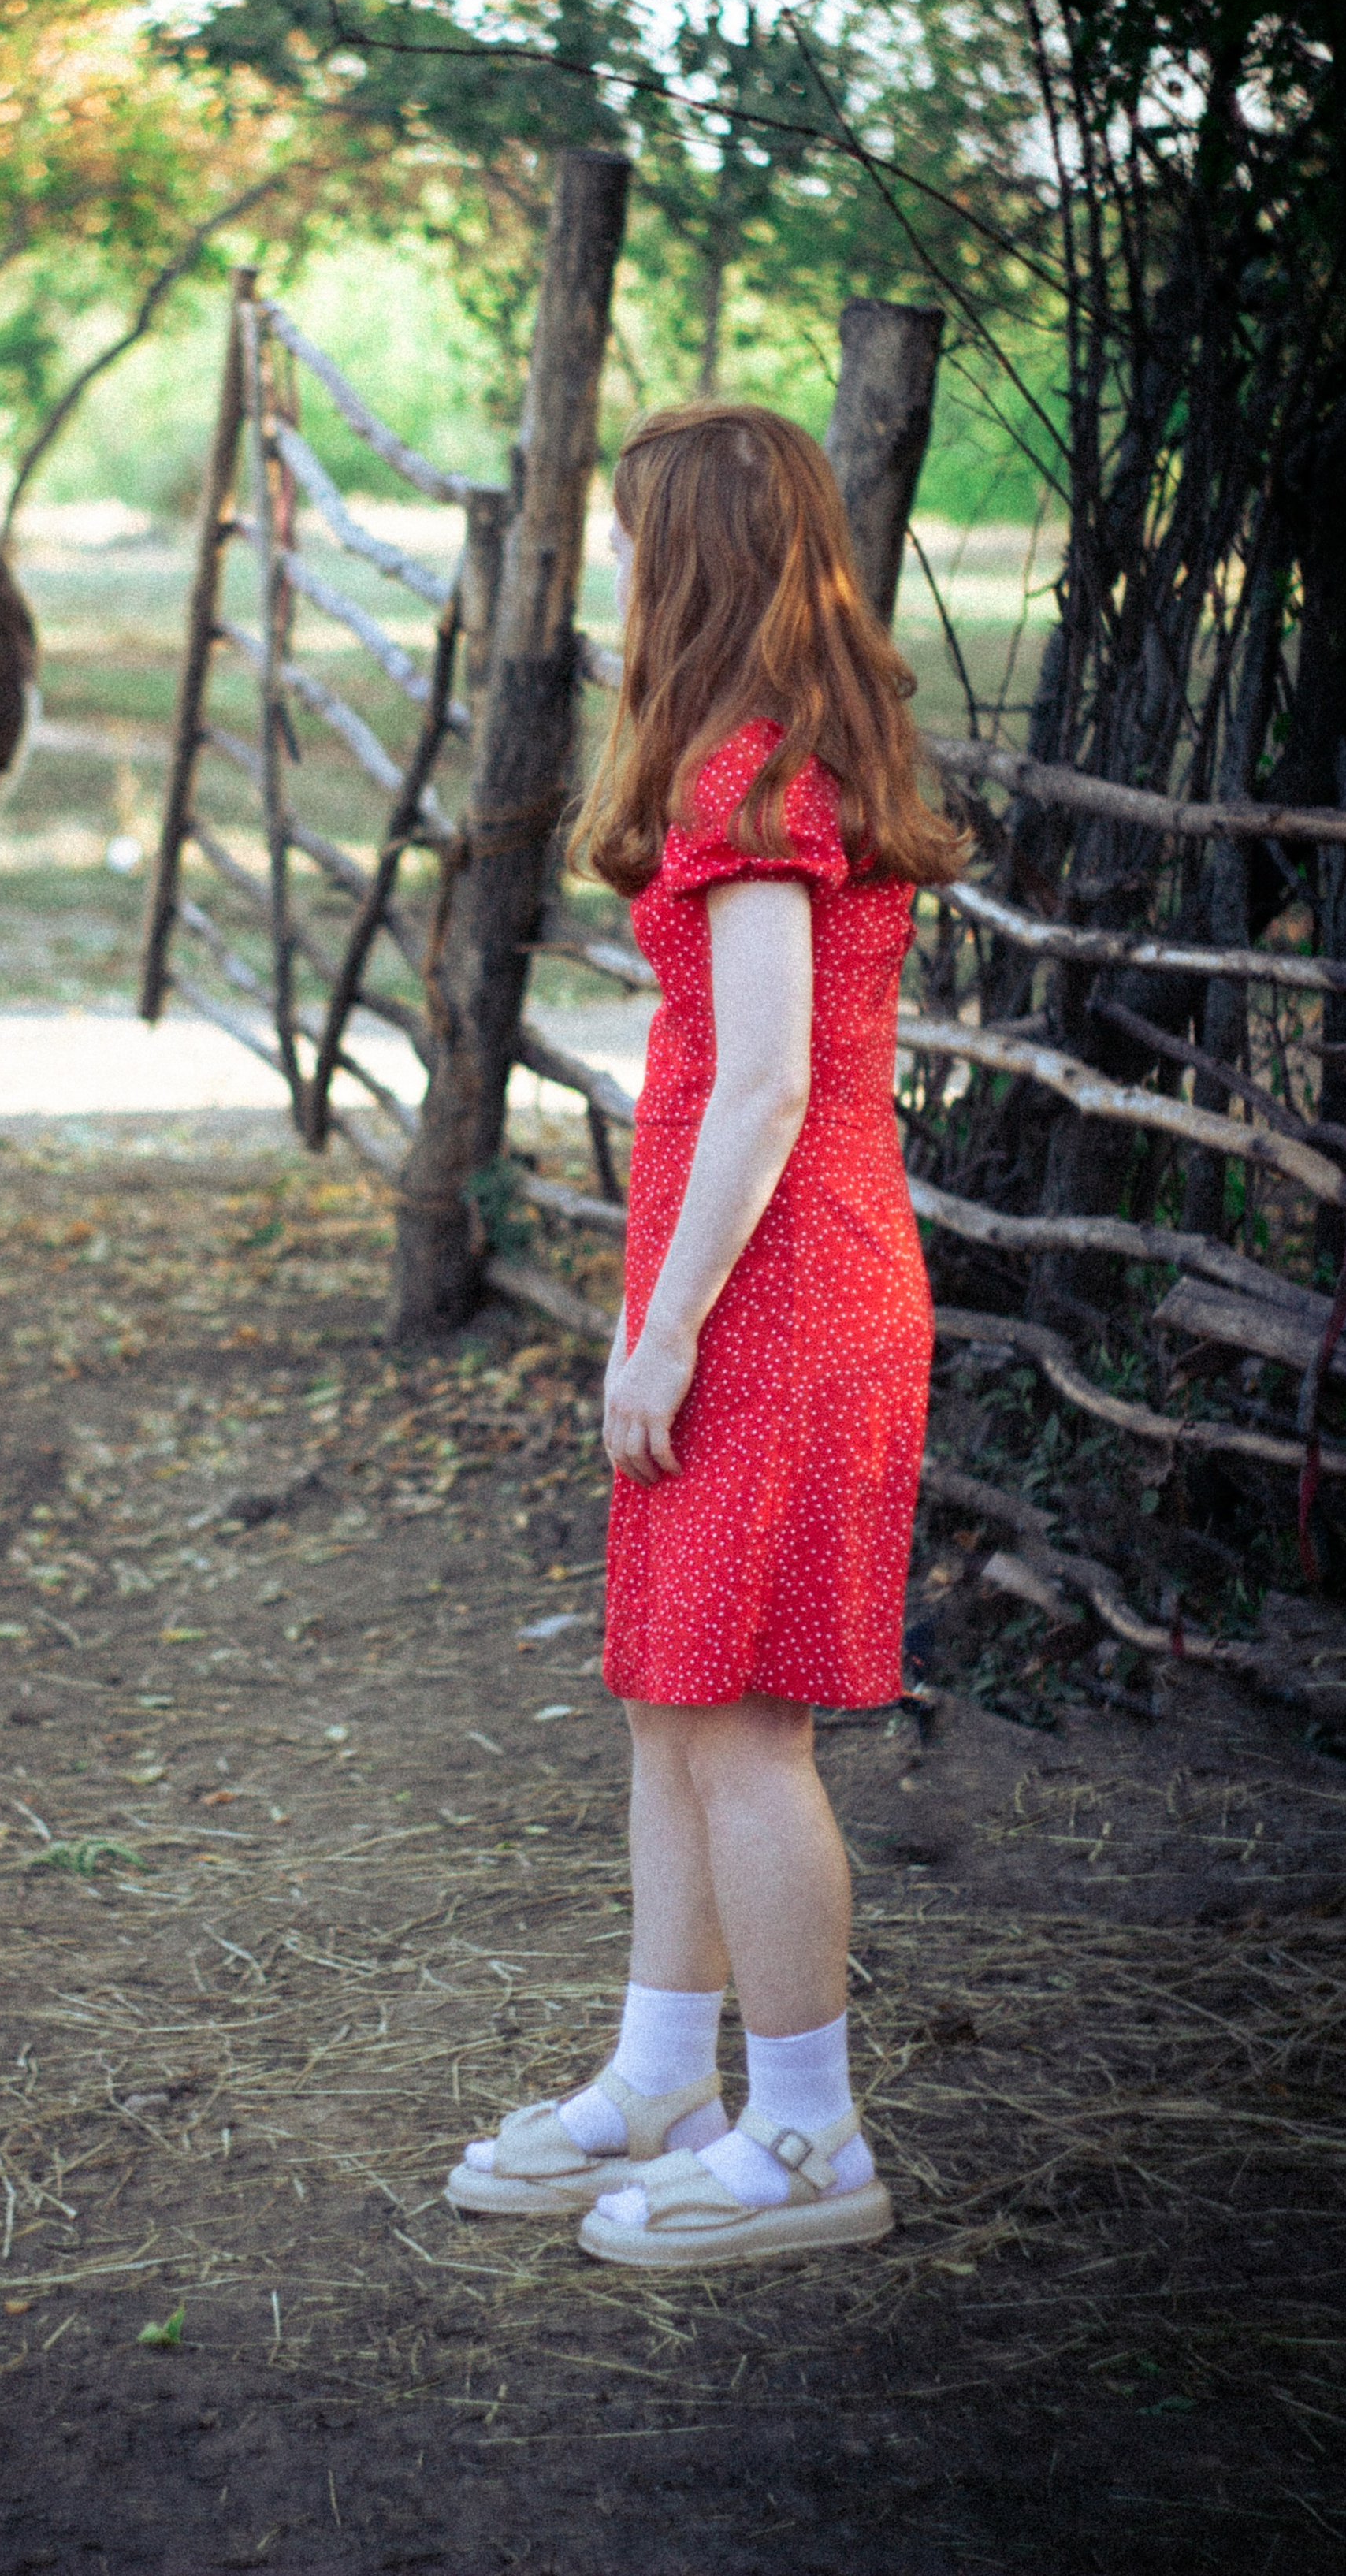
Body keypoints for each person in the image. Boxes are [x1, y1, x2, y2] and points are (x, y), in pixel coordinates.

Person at [445, 400, 967, 2269]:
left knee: (745, 1732)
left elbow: (757, 1087)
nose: (615, 568)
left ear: (692, 560)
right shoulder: (786, 752)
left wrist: (657, 1330)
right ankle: (662, 2075)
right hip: (772, 1281)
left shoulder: (744, 780)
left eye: (632, 538)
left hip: (771, 1294)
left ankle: (811, 2137)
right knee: (675, 1704)